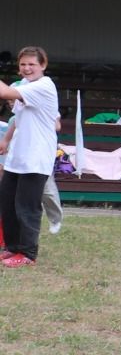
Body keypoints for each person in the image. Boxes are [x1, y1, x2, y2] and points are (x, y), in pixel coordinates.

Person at [0, 47, 60, 266]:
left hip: (36, 158)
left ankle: (27, 254)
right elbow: (17, 117)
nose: (27, 68)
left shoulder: (44, 86)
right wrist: (6, 140)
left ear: (43, 65)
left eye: (32, 64)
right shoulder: (24, 86)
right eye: (23, 64)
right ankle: (11, 247)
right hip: (18, 157)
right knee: (7, 203)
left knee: (27, 207)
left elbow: (5, 93)